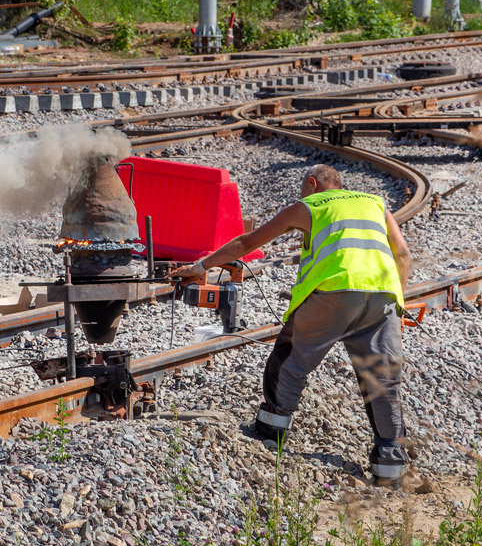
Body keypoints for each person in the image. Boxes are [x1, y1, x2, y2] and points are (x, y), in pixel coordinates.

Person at [170, 163, 414, 486]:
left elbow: (246, 244)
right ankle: (390, 468)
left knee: (291, 357)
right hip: (383, 297)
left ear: (312, 184)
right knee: (382, 379)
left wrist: (199, 266)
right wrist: (397, 302)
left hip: (334, 292)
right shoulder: (375, 202)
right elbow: (403, 254)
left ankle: (272, 426)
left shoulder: (310, 205)